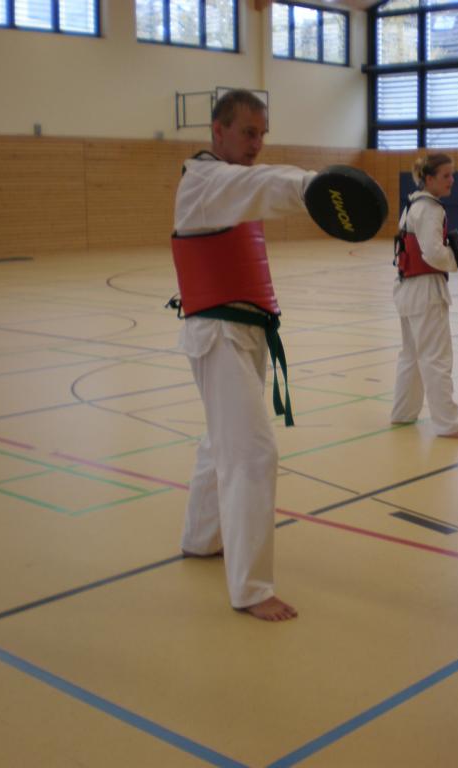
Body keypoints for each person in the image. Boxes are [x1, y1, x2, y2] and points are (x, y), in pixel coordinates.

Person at [171, 89, 313, 622]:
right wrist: (315, 186)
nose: (257, 144)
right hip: (219, 334)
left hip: (244, 332)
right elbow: (264, 184)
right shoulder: (207, 180)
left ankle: (202, 537)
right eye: (248, 132)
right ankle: (251, 588)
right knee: (252, 452)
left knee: (220, 442)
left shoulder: (227, 186)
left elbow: (256, 187)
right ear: (219, 130)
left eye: (262, 134)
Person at [390, 153, 458, 440]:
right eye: (446, 176)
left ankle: (403, 412)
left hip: (407, 289)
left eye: (452, 174)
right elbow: (432, 252)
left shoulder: (412, 204)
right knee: (436, 358)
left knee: (411, 356)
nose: (452, 180)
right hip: (426, 291)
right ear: (429, 179)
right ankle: (448, 424)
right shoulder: (430, 208)